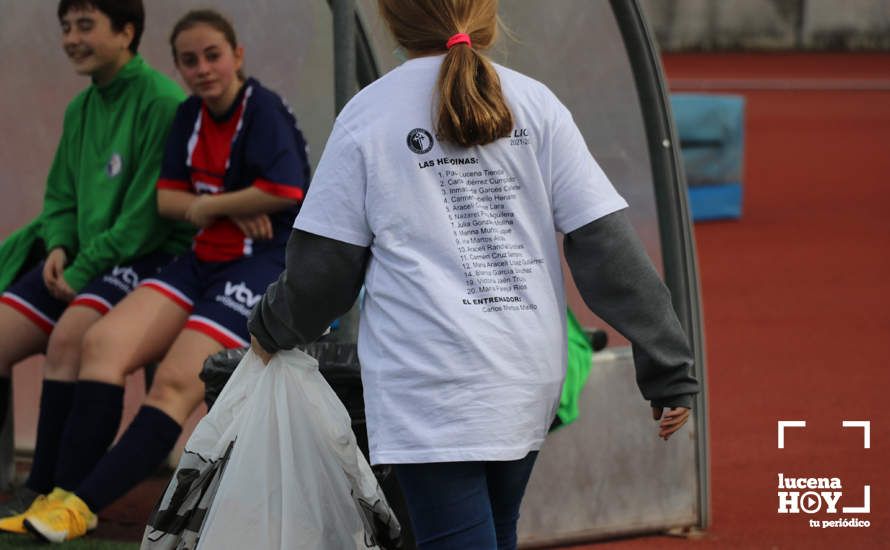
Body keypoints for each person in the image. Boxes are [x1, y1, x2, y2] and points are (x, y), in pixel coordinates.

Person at [248, 1, 700, 549]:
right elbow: (606, 246)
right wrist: (669, 365)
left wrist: (272, 325)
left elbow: (325, 272)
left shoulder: (368, 114)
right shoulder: (537, 103)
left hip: (429, 383)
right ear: (486, 18)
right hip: (525, 375)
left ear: (392, 21)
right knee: (494, 532)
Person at [10, 9, 310, 543]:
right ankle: (56, 496)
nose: (202, 69)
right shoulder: (187, 115)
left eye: (212, 55)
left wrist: (207, 205)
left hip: (258, 264)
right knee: (98, 345)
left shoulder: (262, 110)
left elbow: (287, 193)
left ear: (237, 55)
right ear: (177, 67)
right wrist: (218, 207)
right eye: (189, 61)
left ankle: (81, 506)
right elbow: (167, 198)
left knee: (175, 383)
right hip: (201, 259)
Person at [0, 0, 190, 525]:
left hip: (147, 257)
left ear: (127, 32)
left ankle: (53, 493)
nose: (70, 39)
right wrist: (60, 246)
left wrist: (82, 273)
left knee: (71, 341)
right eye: (65, 27)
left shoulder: (163, 101)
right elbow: (59, 194)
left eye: (86, 25)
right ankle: (37, 489)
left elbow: (146, 220)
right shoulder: (80, 108)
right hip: (80, 258)